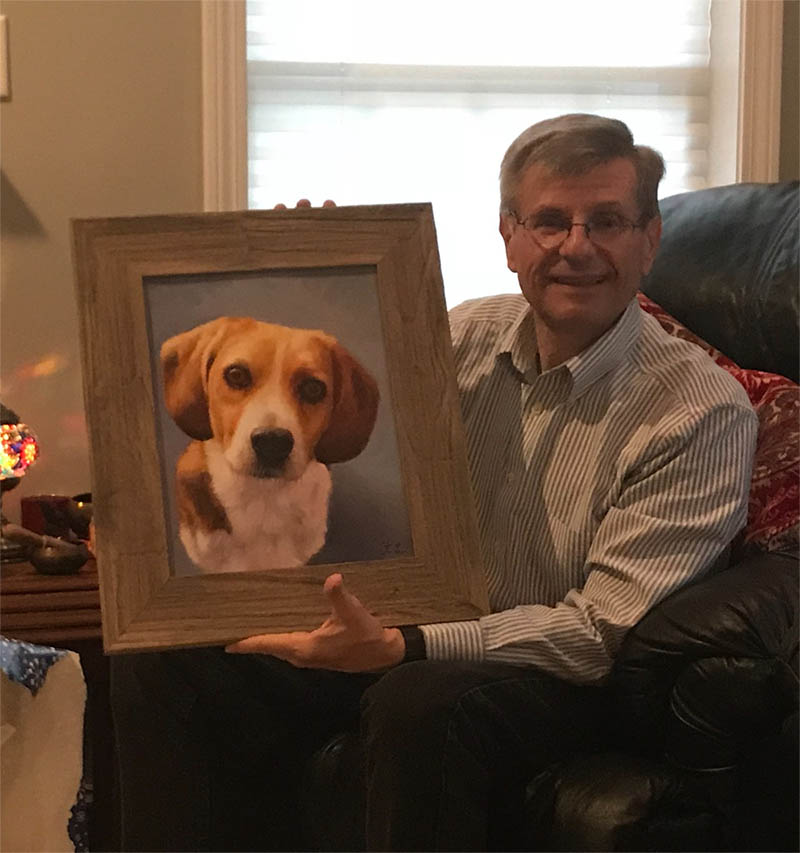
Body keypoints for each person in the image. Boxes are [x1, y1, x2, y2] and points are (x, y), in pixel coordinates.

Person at [111, 114, 757, 851]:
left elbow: (599, 632)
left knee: (419, 701)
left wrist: (407, 645)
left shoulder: (699, 411)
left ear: (650, 240)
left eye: (606, 221)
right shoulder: (461, 338)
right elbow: (328, 408)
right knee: (167, 656)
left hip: (561, 674)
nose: (576, 246)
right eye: (549, 221)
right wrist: (306, 267)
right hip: (399, 632)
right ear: (510, 237)